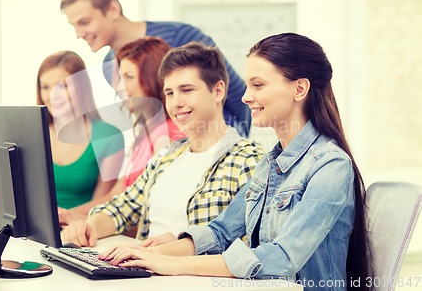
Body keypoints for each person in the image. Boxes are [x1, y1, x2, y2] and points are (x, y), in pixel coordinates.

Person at [104, 33, 373, 291]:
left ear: (299, 88)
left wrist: (172, 264)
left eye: (258, 85)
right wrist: (144, 252)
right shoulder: (270, 164)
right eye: (247, 85)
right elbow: (219, 232)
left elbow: (282, 257)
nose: (245, 97)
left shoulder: (330, 165)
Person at [61, 42, 264, 247]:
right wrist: (90, 226)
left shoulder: (248, 160)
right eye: (169, 93)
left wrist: (178, 246)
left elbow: (251, 247)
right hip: (141, 271)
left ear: (218, 91)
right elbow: (121, 208)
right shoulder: (166, 157)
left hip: (189, 276)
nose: (176, 103)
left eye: (186, 90)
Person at [0, 51, 125, 226]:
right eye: (45, 87)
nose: (52, 95)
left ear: (82, 86)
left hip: (78, 232)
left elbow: (104, 202)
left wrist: (62, 217)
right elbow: (5, 191)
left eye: (62, 86)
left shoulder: (109, 136)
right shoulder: (29, 133)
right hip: (32, 231)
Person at [60, 0, 251, 137]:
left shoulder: (182, 37)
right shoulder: (109, 66)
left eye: (84, 22)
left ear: (112, 9)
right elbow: (148, 123)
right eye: (73, 25)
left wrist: (224, 153)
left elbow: (239, 101)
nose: (78, 33)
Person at [114, 36, 185, 189]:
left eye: (129, 77)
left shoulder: (165, 136)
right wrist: (69, 214)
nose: (119, 86)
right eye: (120, 77)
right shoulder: (147, 131)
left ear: (152, 78)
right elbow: (118, 193)